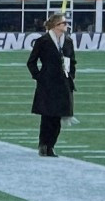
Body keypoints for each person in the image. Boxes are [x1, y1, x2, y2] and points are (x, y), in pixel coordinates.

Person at [27, 13, 77, 156]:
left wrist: (71, 75)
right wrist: (39, 76)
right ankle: (43, 144)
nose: (66, 25)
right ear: (56, 25)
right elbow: (31, 62)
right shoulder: (43, 41)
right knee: (47, 116)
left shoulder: (68, 41)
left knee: (58, 117)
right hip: (48, 84)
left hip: (63, 83)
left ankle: (52, 145)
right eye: (64, 23)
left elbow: (72, 61)